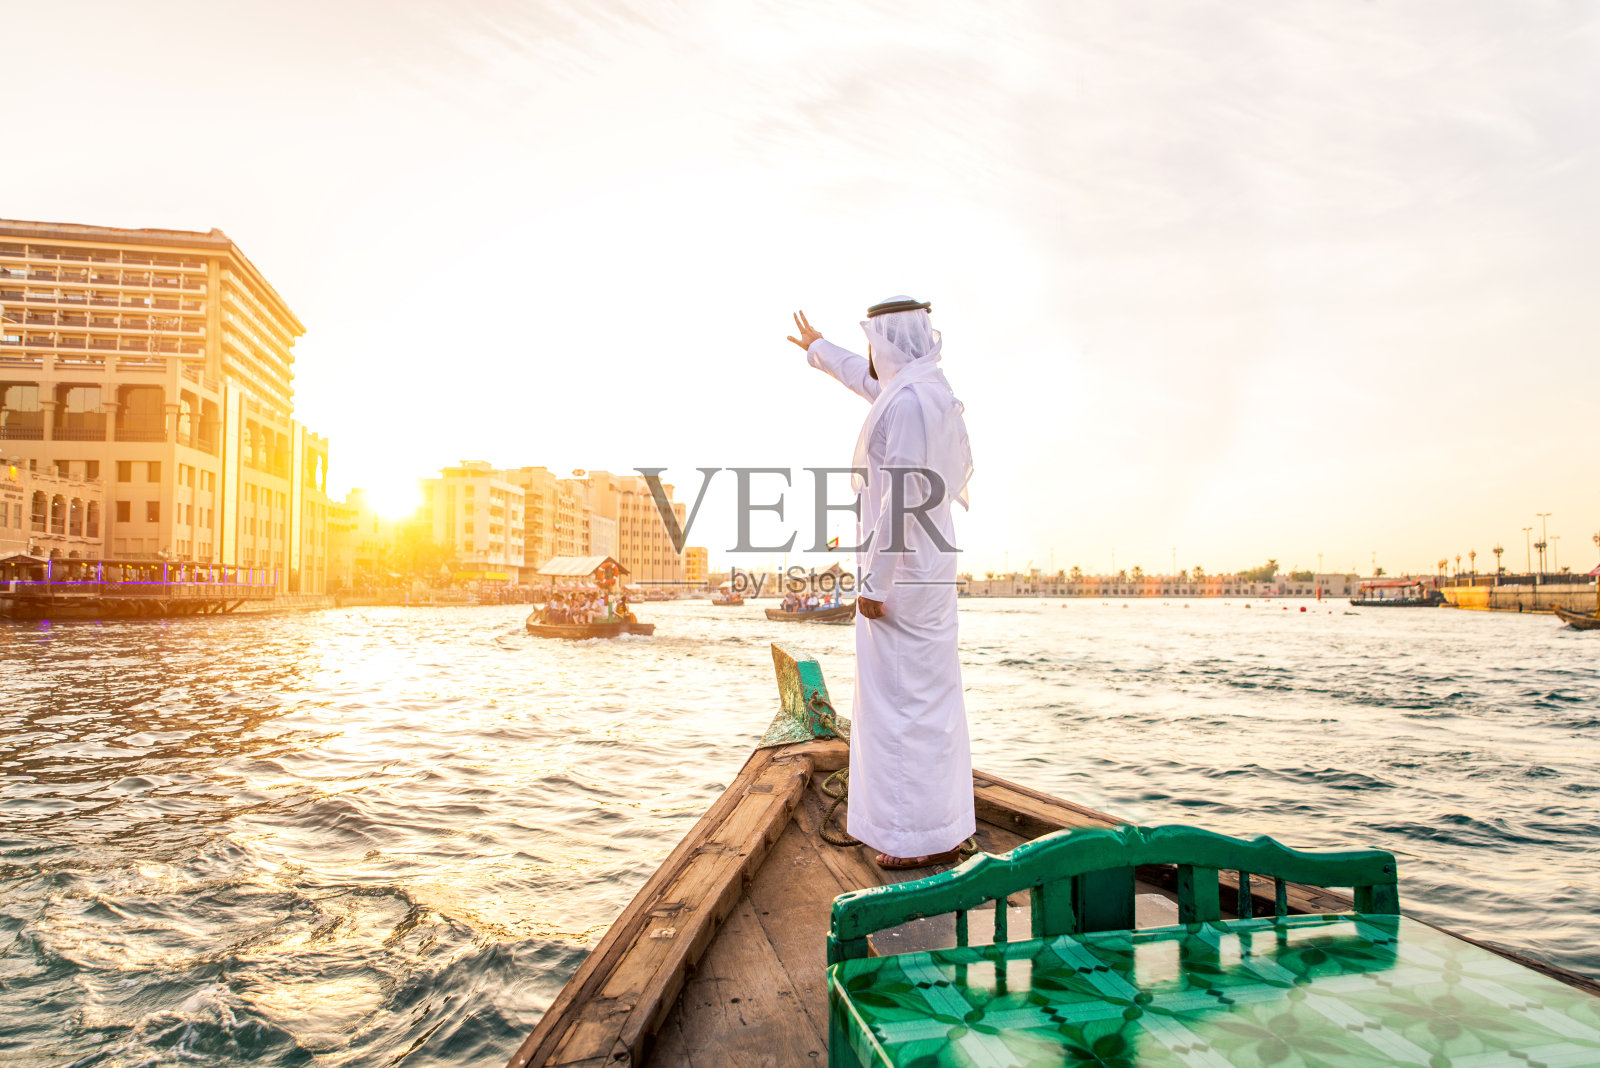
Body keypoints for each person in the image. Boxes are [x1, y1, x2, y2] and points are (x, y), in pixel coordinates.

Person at [788, 296, 975, 870]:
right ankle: (938, 826)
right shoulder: (922, 392)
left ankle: (908, 837)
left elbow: (898, 499)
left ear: (891, 341)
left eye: (874, 342)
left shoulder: (913, 404)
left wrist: (874, 582)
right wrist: (819, 350)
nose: (870, 354)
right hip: (924, 574)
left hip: (902, 578)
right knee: (927, 698)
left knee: (900, 705)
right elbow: (865, 382)